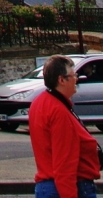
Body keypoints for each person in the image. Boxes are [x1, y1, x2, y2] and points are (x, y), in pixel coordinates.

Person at [28, 54, 101, 198]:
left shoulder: (40, 102)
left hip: (48, 185)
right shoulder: (59, 111)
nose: (77, 79)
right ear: (62, 80)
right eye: (74, 75)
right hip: (69, 187)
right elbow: (65, 164)